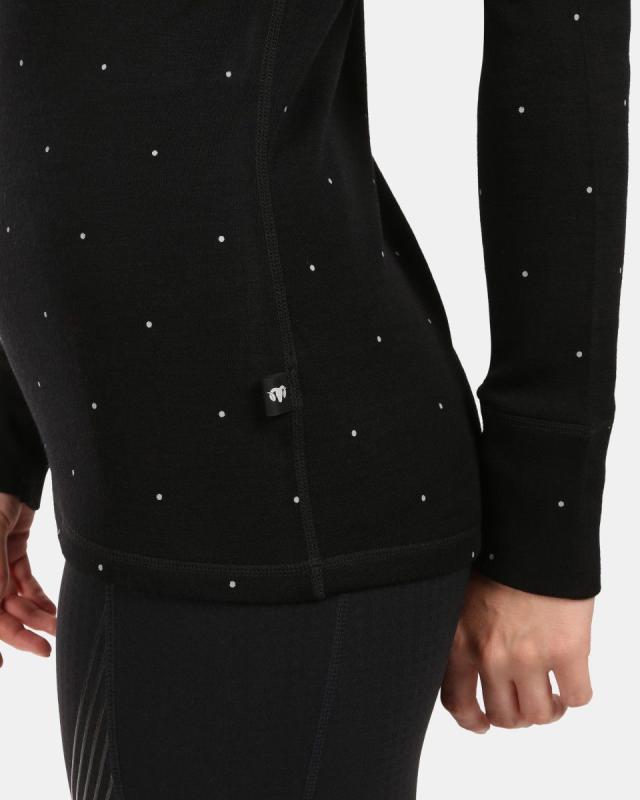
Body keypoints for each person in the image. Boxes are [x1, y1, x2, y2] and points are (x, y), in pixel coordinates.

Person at [0, 1, 630, 798]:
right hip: (119, 488)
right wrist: (13, 435)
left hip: (292, 493)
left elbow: (561, 36)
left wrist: (546, 537)